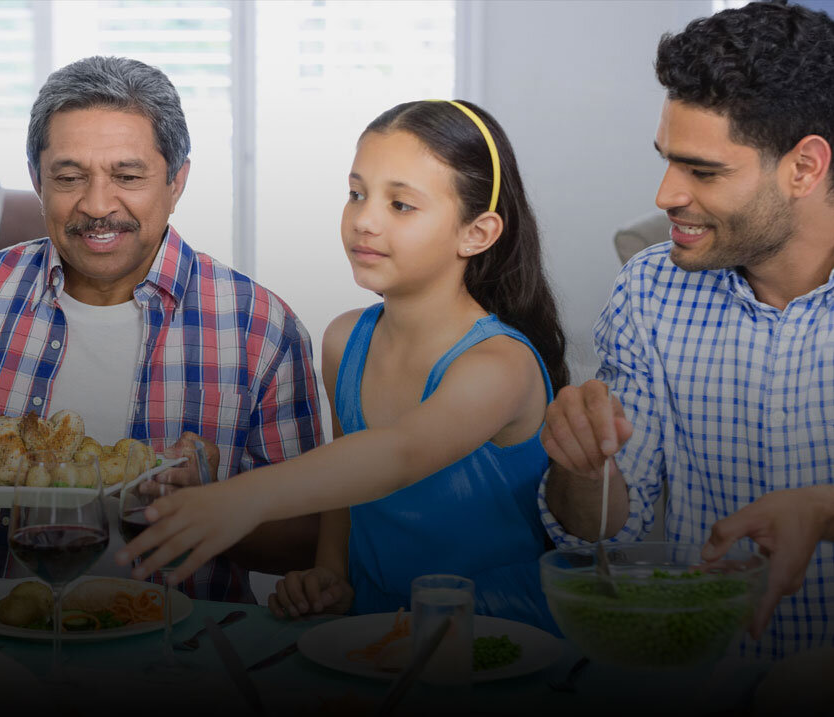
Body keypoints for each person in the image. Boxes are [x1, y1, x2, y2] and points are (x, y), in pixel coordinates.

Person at [0, 56, 324, 602]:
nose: (96, 205)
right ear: (36, 180)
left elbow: (309, 541)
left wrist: (214, 505)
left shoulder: (260, 329)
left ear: (177, 180)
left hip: (182, 664)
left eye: (127, 177)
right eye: (68, 178)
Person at [116, 99, 568, 630]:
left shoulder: (500, 364)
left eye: (401, 205)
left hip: (495, 638)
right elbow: (347, 482)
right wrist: (331, 573)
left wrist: (240, 499)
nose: (365, 221)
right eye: (357, 194)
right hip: (373, 633)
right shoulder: (346, 338)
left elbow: (398, 454)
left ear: (478, 232)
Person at [540, 1, 833, 659]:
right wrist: (585, 464)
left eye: (703, 170)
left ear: (804, 168)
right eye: (668, 160)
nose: (666, 193)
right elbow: (602, 536)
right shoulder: (651, 290)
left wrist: (824, 508)